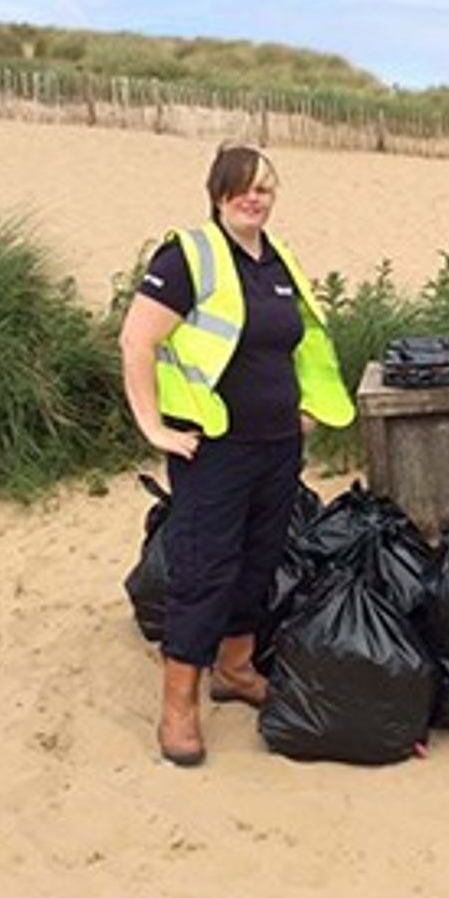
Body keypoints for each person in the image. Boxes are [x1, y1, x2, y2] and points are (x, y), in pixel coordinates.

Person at [119, 142, 354, 765]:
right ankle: (178, 709)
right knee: (204, 570)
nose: (255, 197)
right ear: (219, 191)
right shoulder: (188, 256)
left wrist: (307, 411)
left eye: (266, 188)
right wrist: (153, 427)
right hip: (213, 449)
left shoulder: (278, 260)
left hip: (278, 446)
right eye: (243, 187)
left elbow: (298, 346)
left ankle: (236, 669)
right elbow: (136, 341)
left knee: (259, 560)